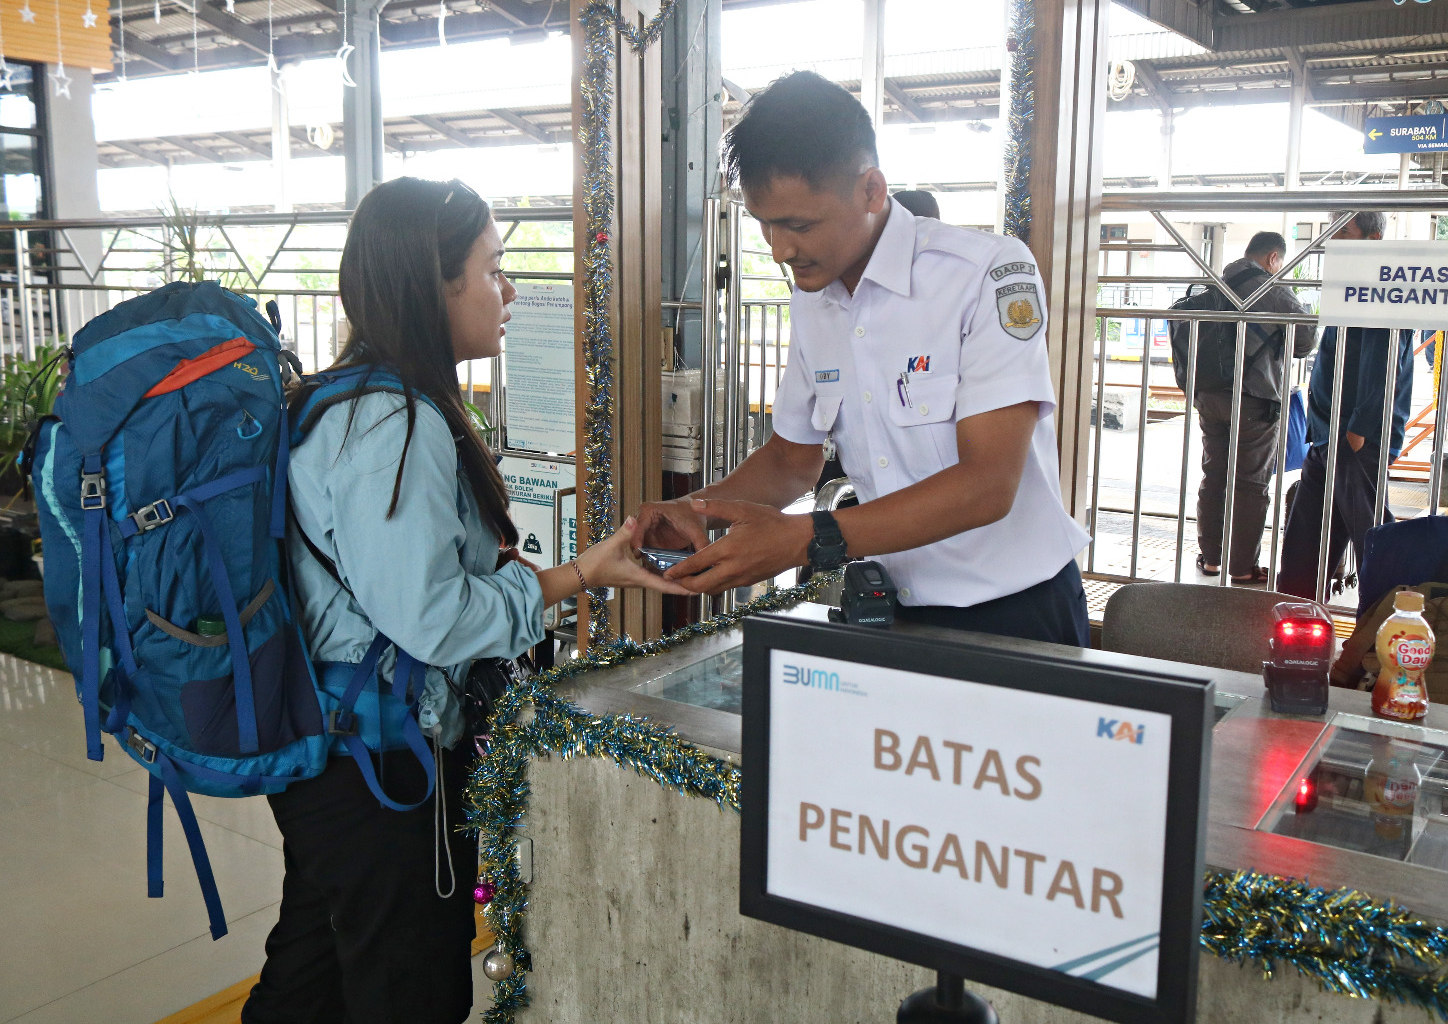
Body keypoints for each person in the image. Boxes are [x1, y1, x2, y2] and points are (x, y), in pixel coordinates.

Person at [241, 177, 682, 1024]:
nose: (508, 291)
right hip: (381, 768)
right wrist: (580, 576)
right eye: (492, 268)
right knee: (408, 988)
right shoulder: (391, 424)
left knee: (314, 971)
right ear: (432, 285)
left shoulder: (347, 400)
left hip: (334, 747)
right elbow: (433, 619)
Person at [633, 71, 1092, 645]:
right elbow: (791, 460)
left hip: (1019, 612)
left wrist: (804, 538)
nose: (779, 250)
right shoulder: (813, 300)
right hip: (893, 608)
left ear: (872, 190)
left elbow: (988, 483)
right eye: (765, 225)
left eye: (799, 225)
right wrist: (694, 511)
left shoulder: (985, 274)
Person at [1278, 210, 1413, 601]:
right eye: (1331, 232)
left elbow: (1383, 361)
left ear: (1372, 239)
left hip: (1354, 438)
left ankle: (1387, 618)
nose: (1332, 241)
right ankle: (1296, 611)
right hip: (1328, 434)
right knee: (1306, 538)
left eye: (1344, 232)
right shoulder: (1352, 285)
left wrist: (1359, 431)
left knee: (1372, 538)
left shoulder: (1384, 287)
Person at [1174, 231, 1316, 584]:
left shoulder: (1214, 286)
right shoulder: (1273, 290)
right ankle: (1241, 567)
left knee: (1215, 475)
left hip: (1209, 396)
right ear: (1273, 258)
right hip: (1254, 399)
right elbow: (1305, 343)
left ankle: (1211, 559)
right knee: (1251, 483)